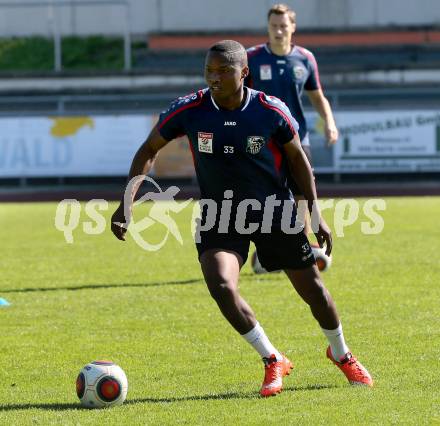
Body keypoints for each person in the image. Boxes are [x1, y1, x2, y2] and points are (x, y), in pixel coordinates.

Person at [111, 40, 372, 396]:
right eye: (209, 71)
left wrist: (314, 213)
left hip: (273, 212)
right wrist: (128, 202)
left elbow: (298, 163)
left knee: (314, 292)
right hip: (219, 215)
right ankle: (272, 358)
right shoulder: (189, 109)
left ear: (243, 72)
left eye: (224, 70)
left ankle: (341, 354)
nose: (214, 78)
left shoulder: (269, 110)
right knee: (221, 285)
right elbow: (148, 150)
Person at [246, 4, 339, 269]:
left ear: (292, 27)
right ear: (268, 27)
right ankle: (265, 247)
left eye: (283, 25)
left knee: (302, 193)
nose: (278, 30)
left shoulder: (305, 58)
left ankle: (301, 244)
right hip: (262, 139)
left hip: (297, 137)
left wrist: (329, 122)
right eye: (274, 25)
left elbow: (317, 97)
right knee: (262, 195)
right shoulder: (252, 58)